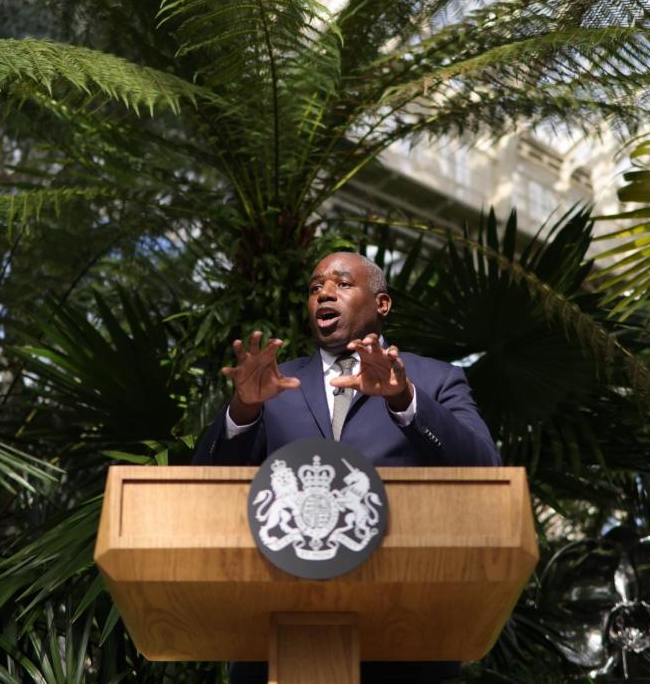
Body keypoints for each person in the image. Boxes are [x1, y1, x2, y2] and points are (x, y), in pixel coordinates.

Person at [192, 251, 500, 683]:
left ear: (382, 304)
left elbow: (485, 466)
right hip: (278, 636)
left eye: (341, 283)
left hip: (403, 633)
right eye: (316, 287)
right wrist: (241, 410)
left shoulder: (433, 380)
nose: (324, 294)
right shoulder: (274, 384)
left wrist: (404, 400)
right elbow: (206, 482)